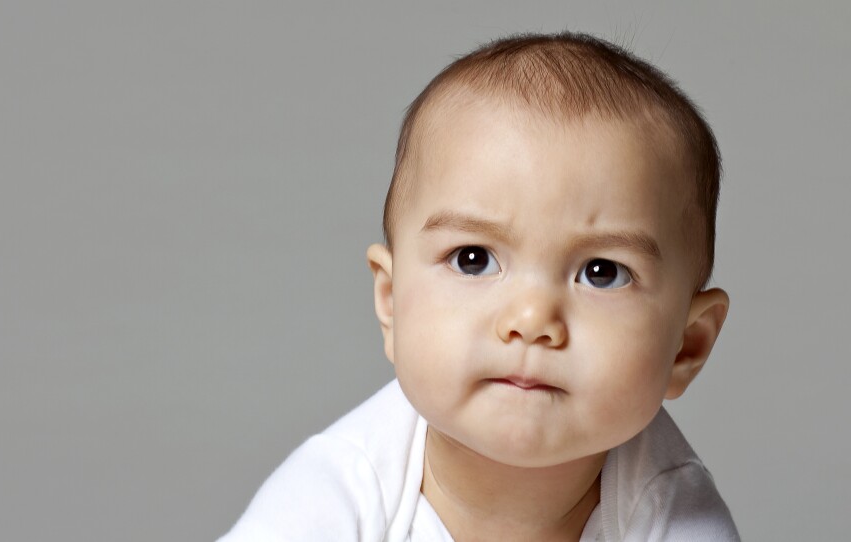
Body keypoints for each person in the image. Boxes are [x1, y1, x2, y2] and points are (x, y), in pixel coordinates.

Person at [219, 32, 740, 541]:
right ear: (392, 304)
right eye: (473, 259)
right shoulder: (333, 497)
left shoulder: (673, 514)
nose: (532, 320)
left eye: (602, 272)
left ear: (686, 346)